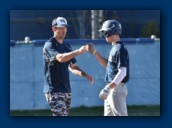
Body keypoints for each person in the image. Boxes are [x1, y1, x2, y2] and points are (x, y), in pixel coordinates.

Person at [43, 17, 94, 116]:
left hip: (66, 89)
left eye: (65, 28)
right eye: (60, 28)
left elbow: (72, 66)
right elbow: (61, 58)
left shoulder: (66, 46)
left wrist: (85, 75)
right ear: (54, 29)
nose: (64, 30)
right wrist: (78, 52)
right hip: (54, 90)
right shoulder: (49, 45)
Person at [87, 20, 129, 116]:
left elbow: (123, 72)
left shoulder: (119, 48)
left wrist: (108, 88)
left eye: (105, 32)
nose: (104, 34)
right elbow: (108, 65)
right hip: (113, 89)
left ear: (112, 31)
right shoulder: (115, 48)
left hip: (115, 89)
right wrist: (94, 52)